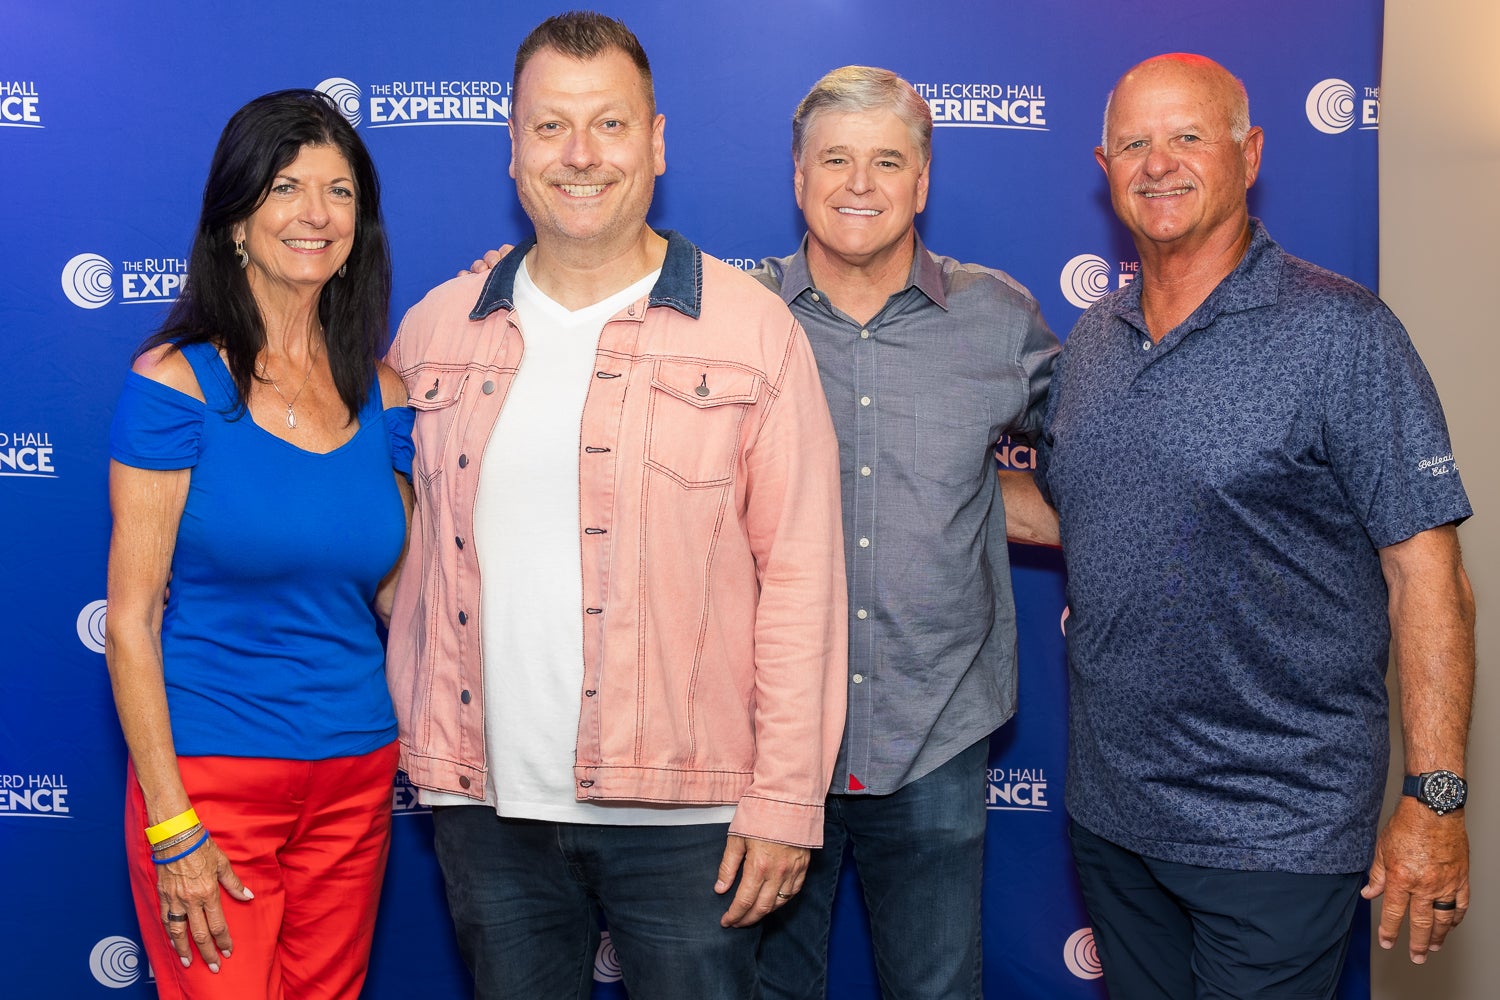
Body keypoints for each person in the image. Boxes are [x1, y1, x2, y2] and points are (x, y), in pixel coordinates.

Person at [384, 12, 846, 999]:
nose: (581, 155)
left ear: (657, 141)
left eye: (610, 124)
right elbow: (391, 549)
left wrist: (787, 798)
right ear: (513, 148)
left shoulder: (753, 331)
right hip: (487, 810)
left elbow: (804, 580)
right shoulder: (435, 331)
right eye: (550, 126)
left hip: (690, 821)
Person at [1034, 53, 1476, 998]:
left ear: (1251, 154)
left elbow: (1428, 574)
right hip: (1114, 820)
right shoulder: (1093, 343)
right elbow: (1084, 511)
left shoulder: (1342, 333)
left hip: (1279, 829)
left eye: (1188, 137)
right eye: (1134, 144)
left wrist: (1434, 799)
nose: (1159, 163)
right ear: (1104, 166)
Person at [751, 66, 1059, 1000]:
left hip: (936, 730)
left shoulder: (998, 317)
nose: (860, 183)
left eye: (888, 161)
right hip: (770, 738)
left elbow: (1101, 457)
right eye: (835, 159)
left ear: (922, 182)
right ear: (798, 176)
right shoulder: (736, 316)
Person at [105, 89, 414, 999]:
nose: (316, 213)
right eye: (286, 187)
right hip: (211, 786)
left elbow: (401, 597)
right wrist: (172, 825)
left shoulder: (385, 394)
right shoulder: (175, 385)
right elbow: (129, 622)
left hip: (357, 777)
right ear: (236, 220)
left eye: (339, 191)